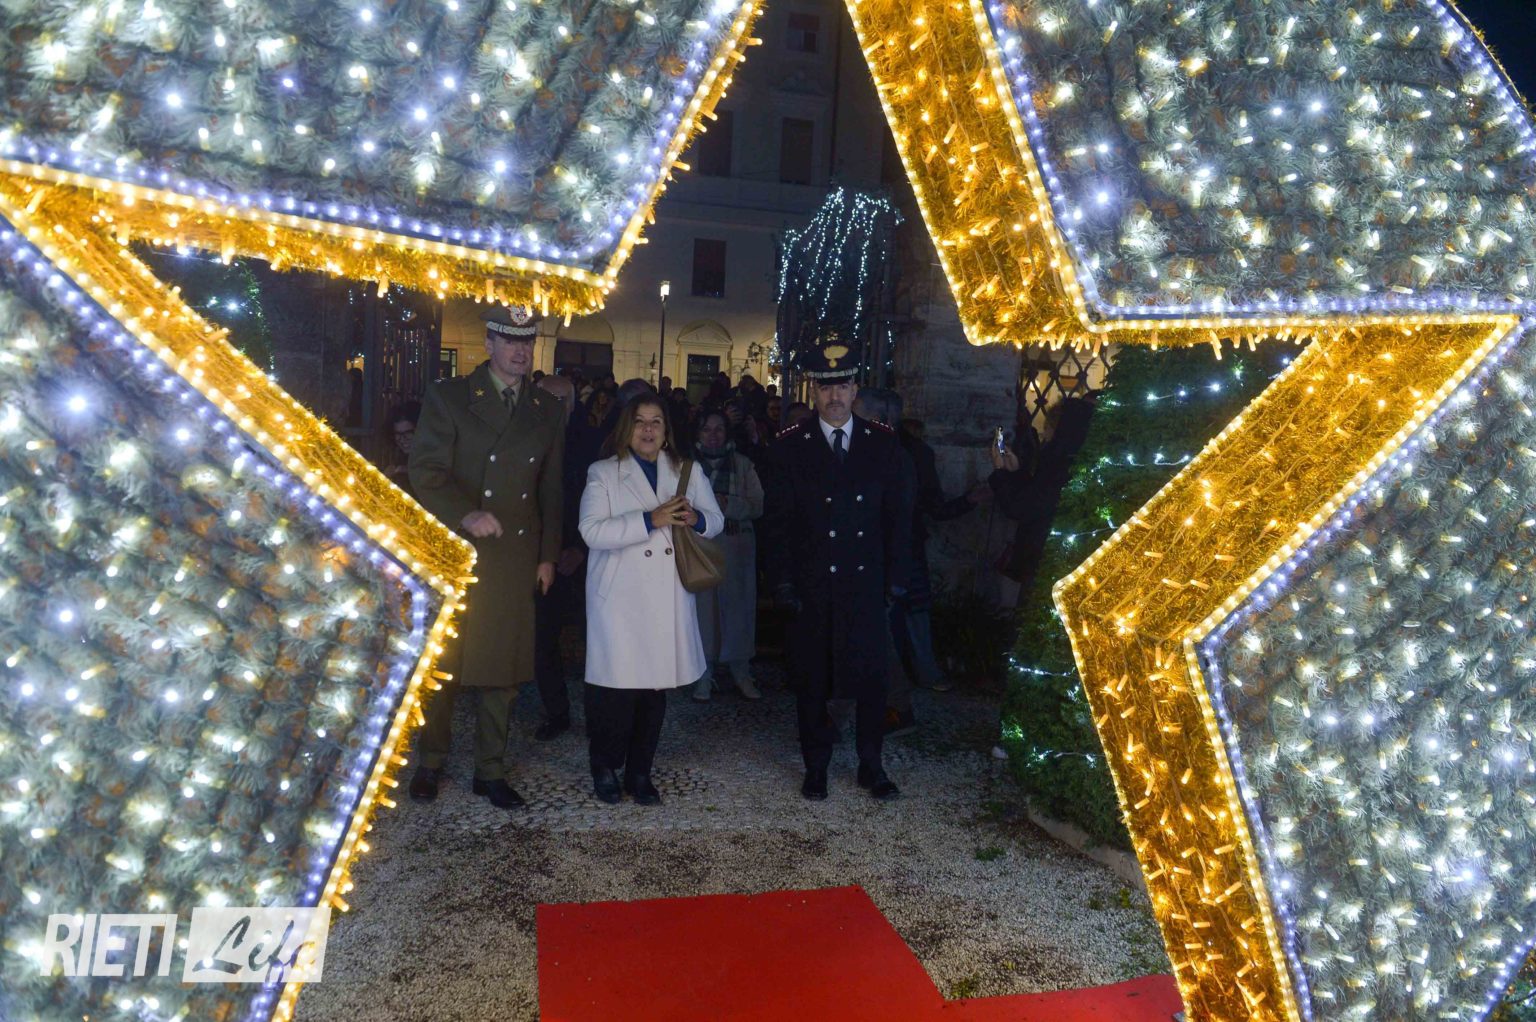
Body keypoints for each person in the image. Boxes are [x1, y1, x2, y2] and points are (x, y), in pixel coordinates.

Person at [407, 305, 566, 809]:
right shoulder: (450, 397)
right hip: (459, 550)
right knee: (445, 665)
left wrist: (547, 555)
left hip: (514, 554)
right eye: (511, 340)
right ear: (489, 343)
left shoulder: (546, 408)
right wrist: (465, 513)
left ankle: (490, 769)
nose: (521, 351)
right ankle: (431, 760)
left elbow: (551, 488)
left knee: (503, 668)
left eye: (528, 341)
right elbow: (426, 471)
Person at [762, 330, 913, 801]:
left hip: (865, 583)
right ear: (814, 390)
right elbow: (777, 523)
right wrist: (782, 582)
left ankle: (872, 765)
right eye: (825, 386)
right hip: (813, 584)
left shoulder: (883, 445)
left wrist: (897, 579)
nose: (834, 396)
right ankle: (817, 766)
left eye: (842, 386)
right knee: (813, 681)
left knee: (871, 681)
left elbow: (899, 518)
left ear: (855, 390)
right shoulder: (790, 447)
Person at [579, 396, 724, 804]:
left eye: (656, 422)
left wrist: (696, 518)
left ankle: (640, 772)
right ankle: (605, 764)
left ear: (666, 430)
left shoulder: (686, 470)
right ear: (627, 428)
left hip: (666, 594)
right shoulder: (604, 472)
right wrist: (649, 520)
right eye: (640, 421)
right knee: (615, 691)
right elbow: (591, 531)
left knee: (653, 691)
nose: (647, 429)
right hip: (619, 599)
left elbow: (716, 521)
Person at [530, 373, 603, 741]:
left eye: (563, 401)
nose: (556, 407)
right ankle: (557, 711)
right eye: (548, 399)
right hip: (540, 555)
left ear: (574, 405)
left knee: (596, 639)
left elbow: (601, 502)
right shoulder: (525, 439)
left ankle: (598, 715)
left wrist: (581, 548)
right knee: (543, 639)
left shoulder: (592, 444)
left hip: (583, 557)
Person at [989, 394, 1097, 594]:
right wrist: (1016, 471)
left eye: (1048, 429)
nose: (1044, 436)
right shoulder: (1075, 462)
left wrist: (1000, 471)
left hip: (1045, 565)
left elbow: (1021, 508)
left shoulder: (1059, 465)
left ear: (1060, 431)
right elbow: (1035, 495)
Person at [691, 410, 765, 702]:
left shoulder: (743, 464)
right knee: (702, 613)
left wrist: (728, 505)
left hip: (736, 548)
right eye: (707, 429)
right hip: (701, 548)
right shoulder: (687, 467)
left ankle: (741, 671)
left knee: (739, 611)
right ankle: (703, 673)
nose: (713, 435)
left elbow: (757, 504)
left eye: (719, 429)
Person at [382, 400, 421, 496]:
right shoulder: (398, 458)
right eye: (398, 434)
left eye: (408, 433)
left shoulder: (435, 456)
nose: (402, 439)